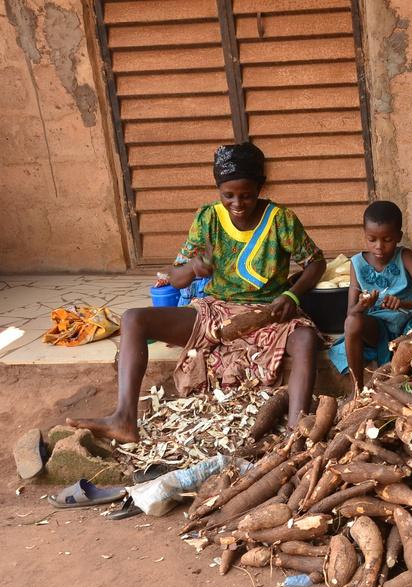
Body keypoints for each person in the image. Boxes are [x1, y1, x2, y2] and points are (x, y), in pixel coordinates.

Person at [70, 142, 327, 443]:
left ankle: (297, 432)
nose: (237, 203)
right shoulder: (207, 219)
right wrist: (193, 267)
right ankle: (125, 418)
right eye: (228, 195)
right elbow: (176, 279)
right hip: (215, 313)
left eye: (246, 195)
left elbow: (316, 262)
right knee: (132, 319)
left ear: (261, 187)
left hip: (267, 313)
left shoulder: (280, 219)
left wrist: (292, 295)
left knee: (306, 338)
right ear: (218, 189)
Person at [328, 200, 412, 391]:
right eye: (372, 239)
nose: (379, 246)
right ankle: (357, 389)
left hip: (411, 324)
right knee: (352, 322)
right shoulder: (357, 264)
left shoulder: (405, 256)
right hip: (377, 327)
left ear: (398, 236)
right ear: (364, 236)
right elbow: (351, 312)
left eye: (387, 240)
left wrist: (404, 303)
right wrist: (364, 304)